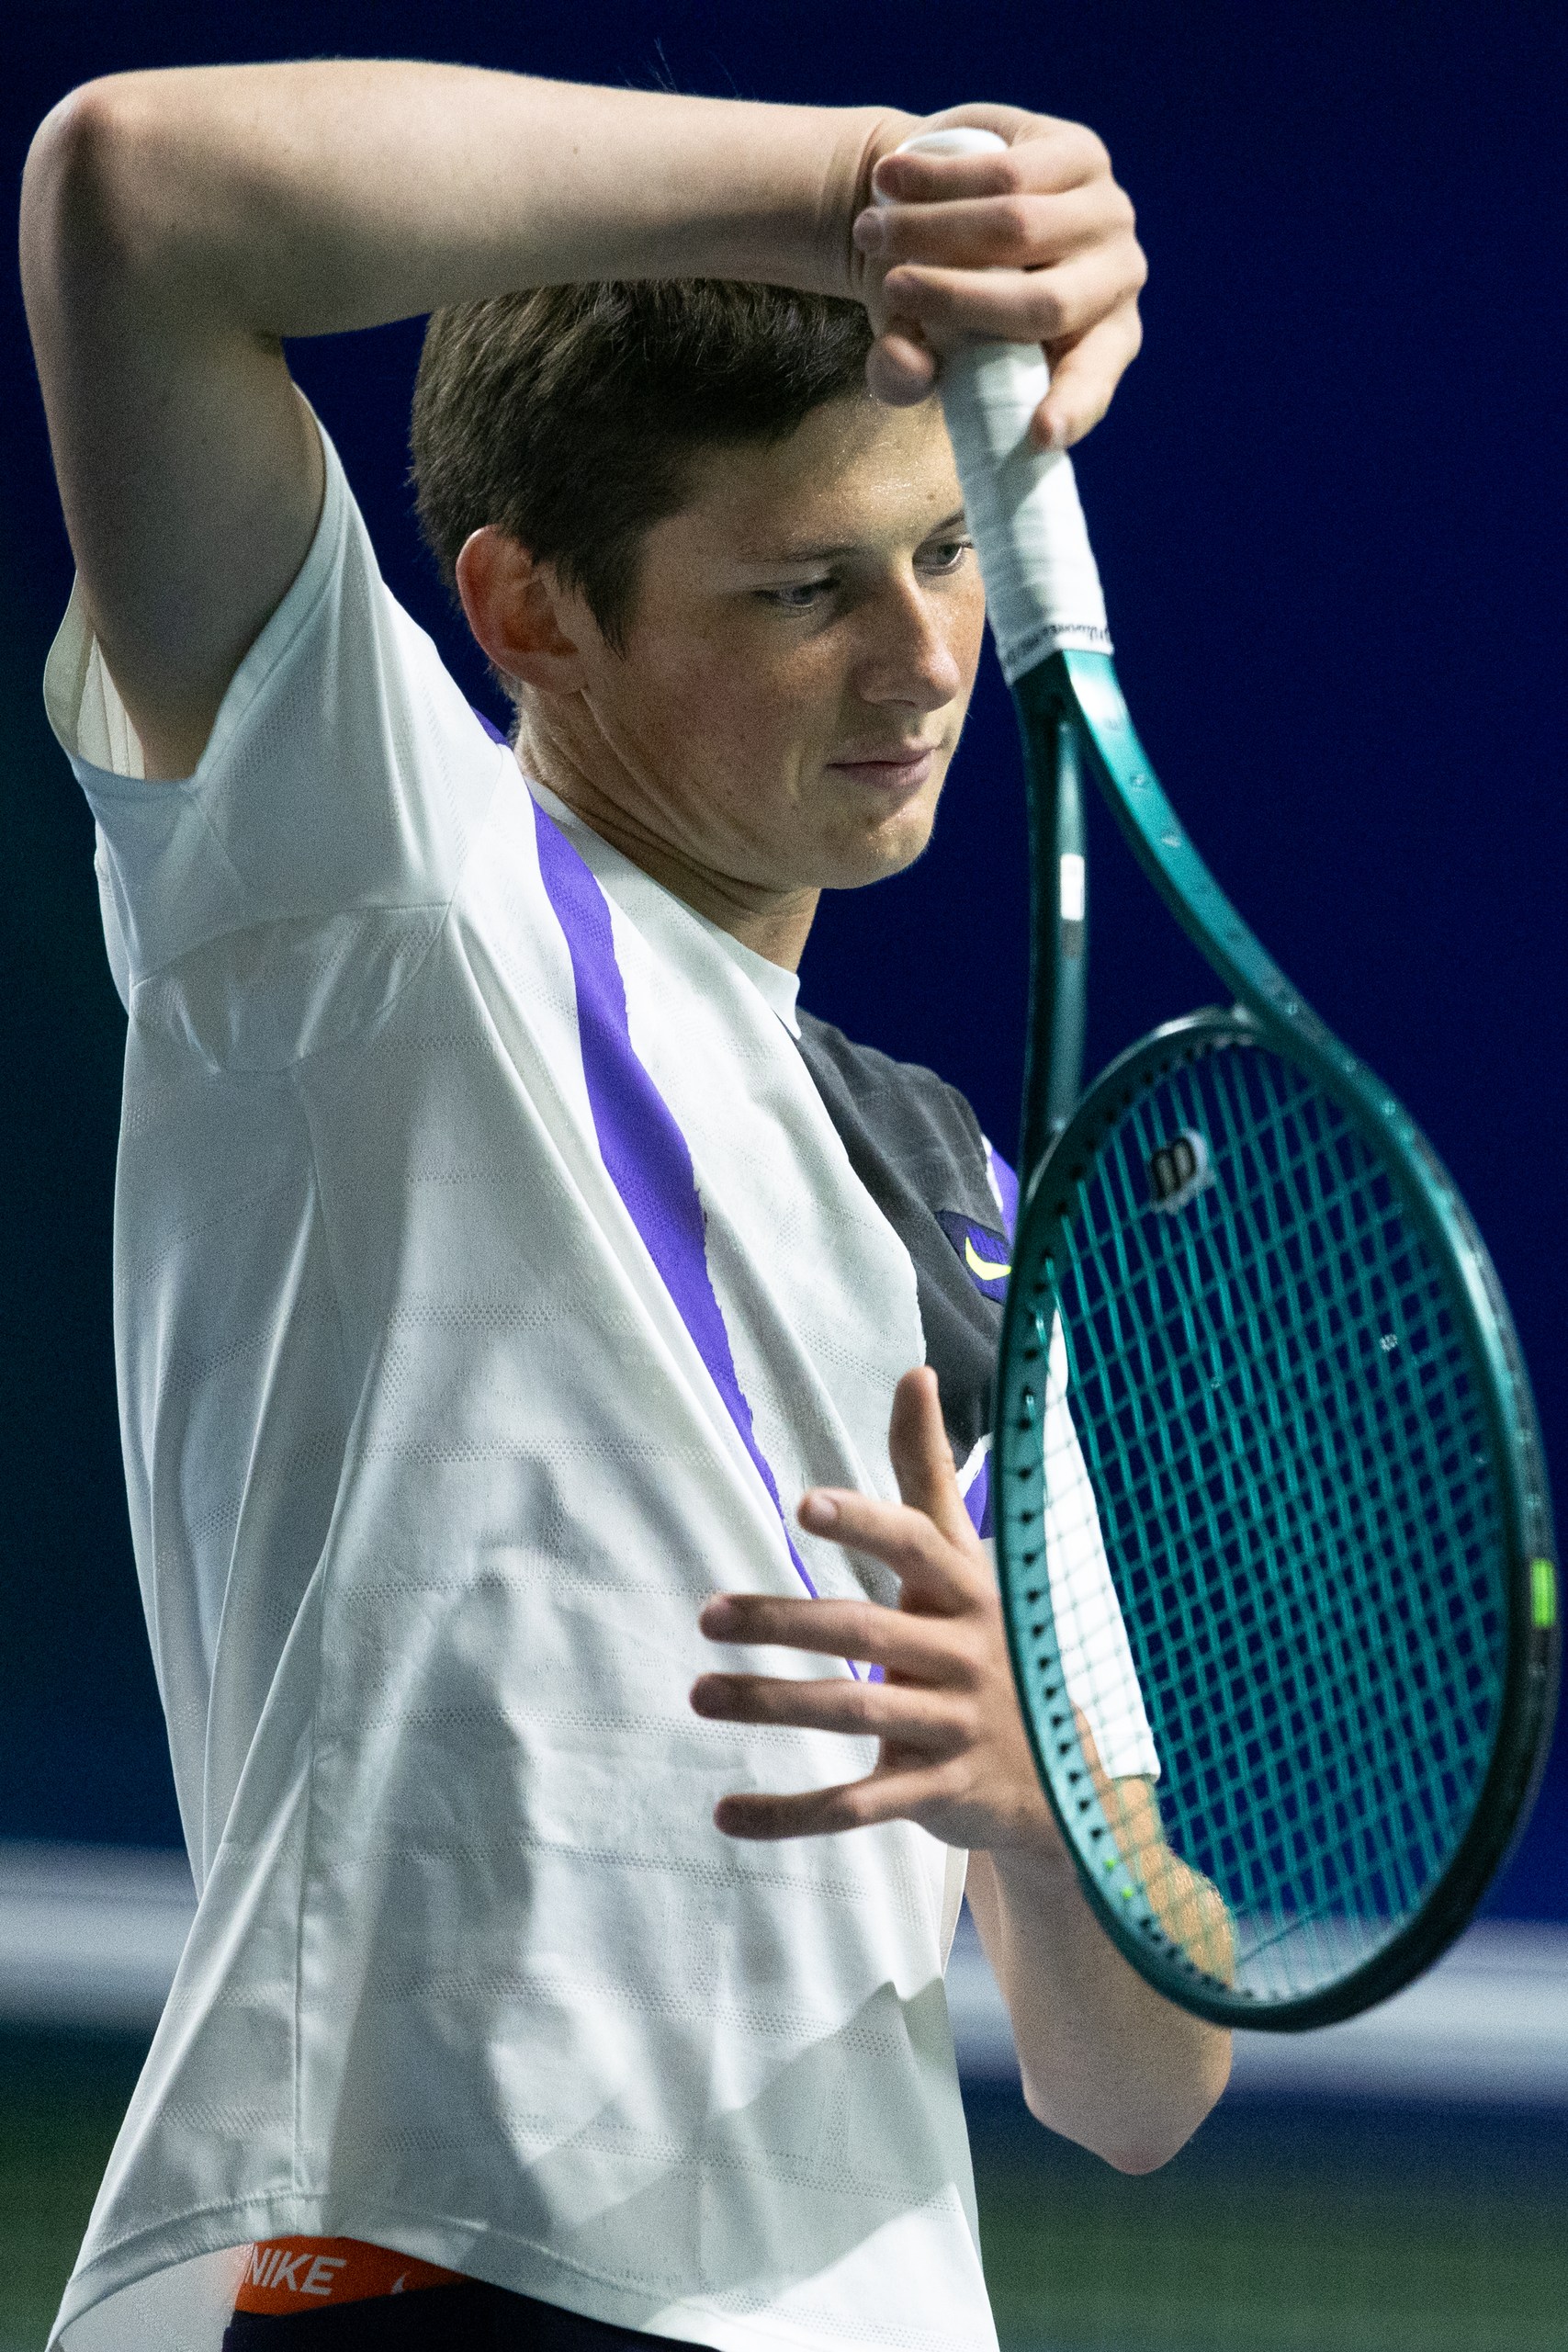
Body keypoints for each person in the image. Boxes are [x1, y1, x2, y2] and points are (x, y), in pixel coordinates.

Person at [20, 58, 1229, 2352]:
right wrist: (859, 189)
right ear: (527, 612)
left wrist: (1038, 1803)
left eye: (941, 550)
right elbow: (135, 194)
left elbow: (1139, 2084)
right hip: (438, 2266)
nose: (923, 655)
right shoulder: (377, 880)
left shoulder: (956, 1201)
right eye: (803, 585)